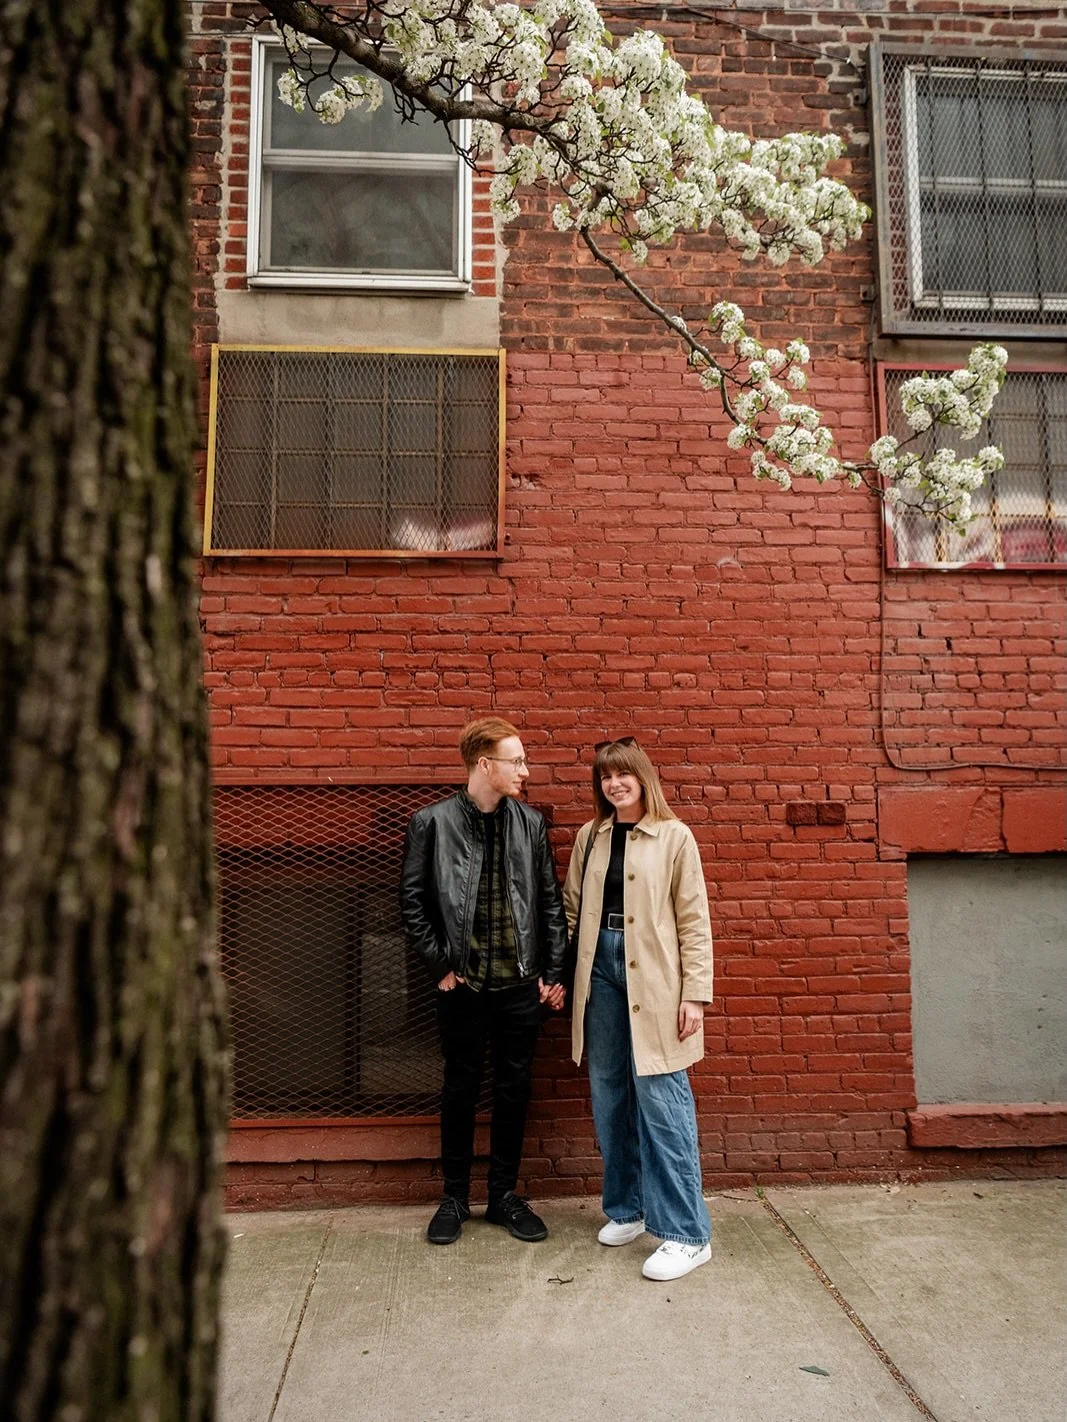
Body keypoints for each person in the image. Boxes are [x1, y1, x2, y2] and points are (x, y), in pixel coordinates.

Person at [401, 716, 568, 1246]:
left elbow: (548, 902)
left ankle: (503, 1197)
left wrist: (554, 973)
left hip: (520, 987)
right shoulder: (431, 823)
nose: (525, 770)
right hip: (464, 987)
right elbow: (412, 902)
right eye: (515, 760)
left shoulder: (531, 824)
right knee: (460, 1088)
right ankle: (454, 1197)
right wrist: (439, 966)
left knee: (514, 1090)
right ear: (484, 765)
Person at [563, 737, 714, 1282]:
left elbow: (694, 920)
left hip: (655, 974)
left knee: (660, 1093)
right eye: (604, 776)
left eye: (622, 774)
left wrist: (694, 993)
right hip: (598, 967)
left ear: (642, 777)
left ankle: (687, 1233)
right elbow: (571, 910)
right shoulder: (591, 836)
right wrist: (562, 978)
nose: (613, 784)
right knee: (609, 1090)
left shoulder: (675, 837)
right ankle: (627, 1209)